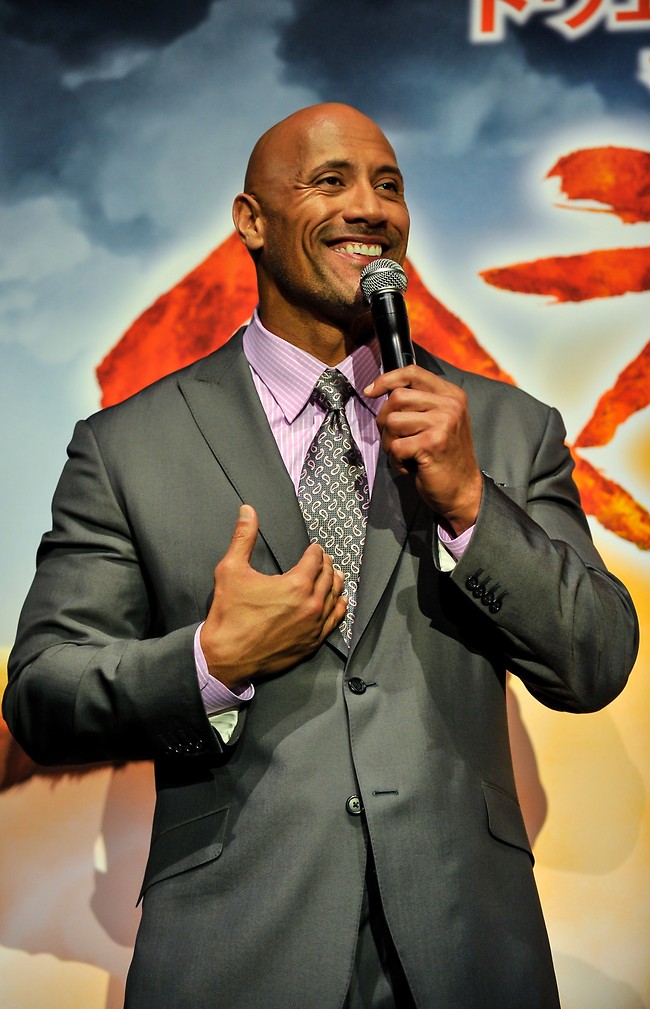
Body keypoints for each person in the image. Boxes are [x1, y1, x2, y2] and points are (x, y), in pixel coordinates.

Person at [3, 103, 638, 1009]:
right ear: (251, 221)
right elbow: (43, 693)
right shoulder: (127, 447)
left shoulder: (505, 427)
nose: (370, 207)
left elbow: (596, 659)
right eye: (330, 181)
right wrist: (210, 662)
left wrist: (470, 501)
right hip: (233, 956)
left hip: (468, 953)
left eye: (390, 186)